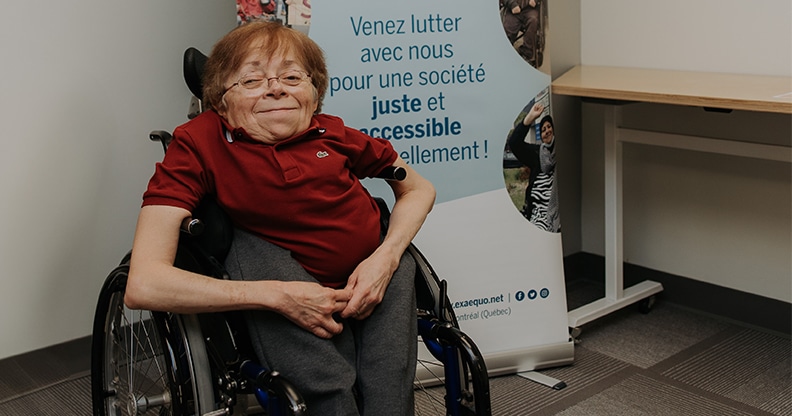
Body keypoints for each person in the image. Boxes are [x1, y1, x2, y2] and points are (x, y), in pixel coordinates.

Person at [124, 21, 436, 415]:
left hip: (376, 271)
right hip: (277, 273)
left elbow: (418, 188)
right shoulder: (198, 143)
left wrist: (386, 258)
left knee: (391, 381)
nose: (276, 88)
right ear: (220, 100)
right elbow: (144, 284)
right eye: (252, 80)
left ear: (314, 91)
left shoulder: (334, 133)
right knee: (329, 390)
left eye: (292, 76)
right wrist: (275, 296)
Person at [506, 102, 560, 232]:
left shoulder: (564, 150)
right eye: (543, 130)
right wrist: (530, 118)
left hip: (558, 218)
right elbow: (514, 143)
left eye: (549, 127)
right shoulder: (537, 153)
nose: (547, 131)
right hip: (537, 217)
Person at [500, 0, 541, 67]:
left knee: (533, 21)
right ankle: (506, 52)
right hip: (513, 9)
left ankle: (527, 54)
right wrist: (512, 4)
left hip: (530, 9)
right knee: (509, 30)